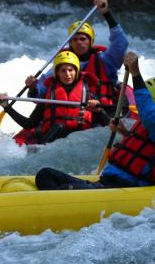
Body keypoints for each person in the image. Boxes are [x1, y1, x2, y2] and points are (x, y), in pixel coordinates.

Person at [36, 51, 155, 190]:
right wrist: (123, 132)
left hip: (126, 185)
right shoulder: (148, 123)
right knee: (45, 175)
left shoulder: (150, 118)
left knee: (64, 189)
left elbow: (148, 113)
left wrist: (135, 73)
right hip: (109, 180)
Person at [26, 0, 129, 114]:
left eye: (83, 39)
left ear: (91, 41)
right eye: (75, 39)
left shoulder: (106, 60)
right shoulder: (62, 65)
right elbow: (39, 93)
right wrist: (32, 87)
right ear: (70, 44)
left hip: (103, 112)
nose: (79, 42)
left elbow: (121, 43)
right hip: (73, 115)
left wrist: (106, 14)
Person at [0, 50, 101, 145]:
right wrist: (7, 107)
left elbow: (106, 122)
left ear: (77, 71)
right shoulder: (49, 97)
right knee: (57, 128)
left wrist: (98, 110)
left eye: (71, 70)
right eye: (63, 71)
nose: (68, 74)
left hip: (81, 141)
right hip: (54, 140)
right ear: (57, 73)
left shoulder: (89, 94)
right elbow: (29, 124)